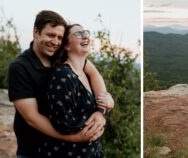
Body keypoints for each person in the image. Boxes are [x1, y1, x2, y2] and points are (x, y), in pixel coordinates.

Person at [8, 10, 113, 158]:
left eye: (59, 37)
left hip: (60, 146)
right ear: (36, 32)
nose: (55, 42)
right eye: (50, 35)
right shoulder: (20, 67)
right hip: (32, 147)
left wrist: (102, 108)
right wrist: (77, 138)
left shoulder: (58, 54)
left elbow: (94, 73)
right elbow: (32, 117)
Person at [37, 24, 106, 157]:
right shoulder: (63, 75)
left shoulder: (85, 73)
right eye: (78, 34)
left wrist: (101, 112)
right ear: (67, 46)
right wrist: (97, 127)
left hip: (91, 152)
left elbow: (100, 103)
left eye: (86, 32)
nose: (85, 36)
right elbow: (62, 124)